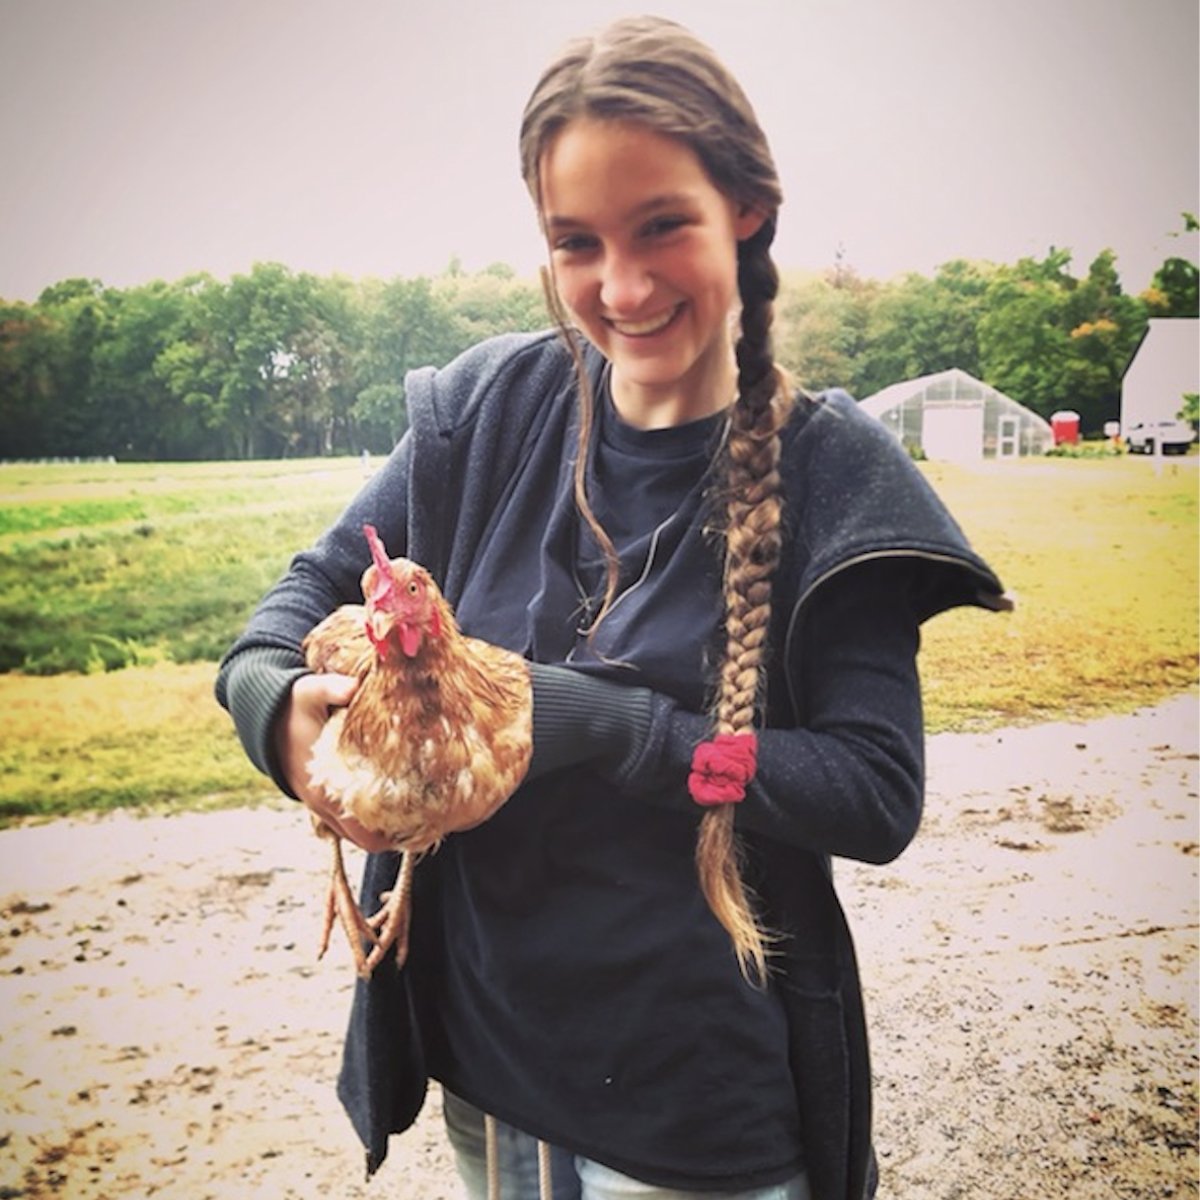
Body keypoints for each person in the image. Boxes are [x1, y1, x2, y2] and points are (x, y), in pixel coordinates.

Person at [216, 15, 1008, 1200]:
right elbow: (283, 616)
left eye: (662, 227)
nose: (621, 287)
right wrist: (287, 724)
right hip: (484, 1075)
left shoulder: (831, 472)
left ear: (744, 206)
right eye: (575, 242)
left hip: (694, 1122)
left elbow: (873, 794)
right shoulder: (489, 412)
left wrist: (622, 729)